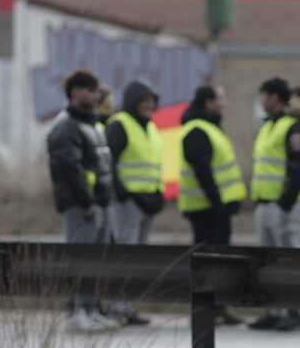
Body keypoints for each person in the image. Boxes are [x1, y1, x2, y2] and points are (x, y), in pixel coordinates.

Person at [47, 69, 118, 333]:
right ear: (75, 93)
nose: (95, 94)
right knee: (80, 258)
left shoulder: (93, 124)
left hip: (99, 202)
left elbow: (100, 164)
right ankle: (77, 312)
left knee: (96, 260)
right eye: (90, 89)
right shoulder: (66, 127)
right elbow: (69, 169)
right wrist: (86, 202)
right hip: (81, 206)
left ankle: (90, 308)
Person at [249, 77, 300, 332]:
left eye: (264, 96)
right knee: (267, 259)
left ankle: (296, 311)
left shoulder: (294, 127)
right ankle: (275, 310)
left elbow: (299, 169)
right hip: (266, 203)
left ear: (276, 97)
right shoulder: (268, 127)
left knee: (290, 256)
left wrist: (284, 203)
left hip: (289, 205)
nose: (261, 101)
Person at [179, 85, 245, 326]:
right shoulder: (197, 130)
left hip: (215, 208)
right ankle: (205, 309)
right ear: (208, 102)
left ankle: (218, 307)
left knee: (219, 260)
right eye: (220, 99)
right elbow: (202, 171)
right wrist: (218, 201)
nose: (224, 103)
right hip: (206, 209)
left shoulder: (208, 127)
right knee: (207, 262)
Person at [104, 81, 166, 326]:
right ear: (133, 101)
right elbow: (109, 161)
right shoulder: (120, 125)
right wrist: (121, 192)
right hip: (127, 202)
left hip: (146, 201)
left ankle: (127, 306)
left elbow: (153, 164)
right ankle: (116, 307)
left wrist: (158, 193)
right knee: (123, 254)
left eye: (152, 100)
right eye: (145, 100)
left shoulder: (150, 128)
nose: (149, 105)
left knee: (137, 256)